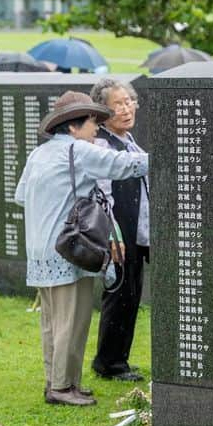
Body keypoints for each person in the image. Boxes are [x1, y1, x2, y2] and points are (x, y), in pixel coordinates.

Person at [13, 90, 149, 408]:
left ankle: (61, 382)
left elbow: (21, 196)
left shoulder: (40, 153)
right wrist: (175, 153)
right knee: (71, 323)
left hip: (40, 249)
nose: (96, 130)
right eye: (92, 123)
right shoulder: (77, 151)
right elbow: (124, 165)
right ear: (73, 127)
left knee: (53, 323)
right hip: (70, 248)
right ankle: (62, 387)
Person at [90, 77, 148, 382]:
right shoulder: (101, 144)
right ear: (102, 111)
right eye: (118, 104)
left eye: (129, 102)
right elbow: (101, 194)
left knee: (131, 295)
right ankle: (109, 363)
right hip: (119, 234)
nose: (127, 109)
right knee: (119, 294)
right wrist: (112, 234)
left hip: (136, 232)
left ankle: (119, 359)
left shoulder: (127, 139)